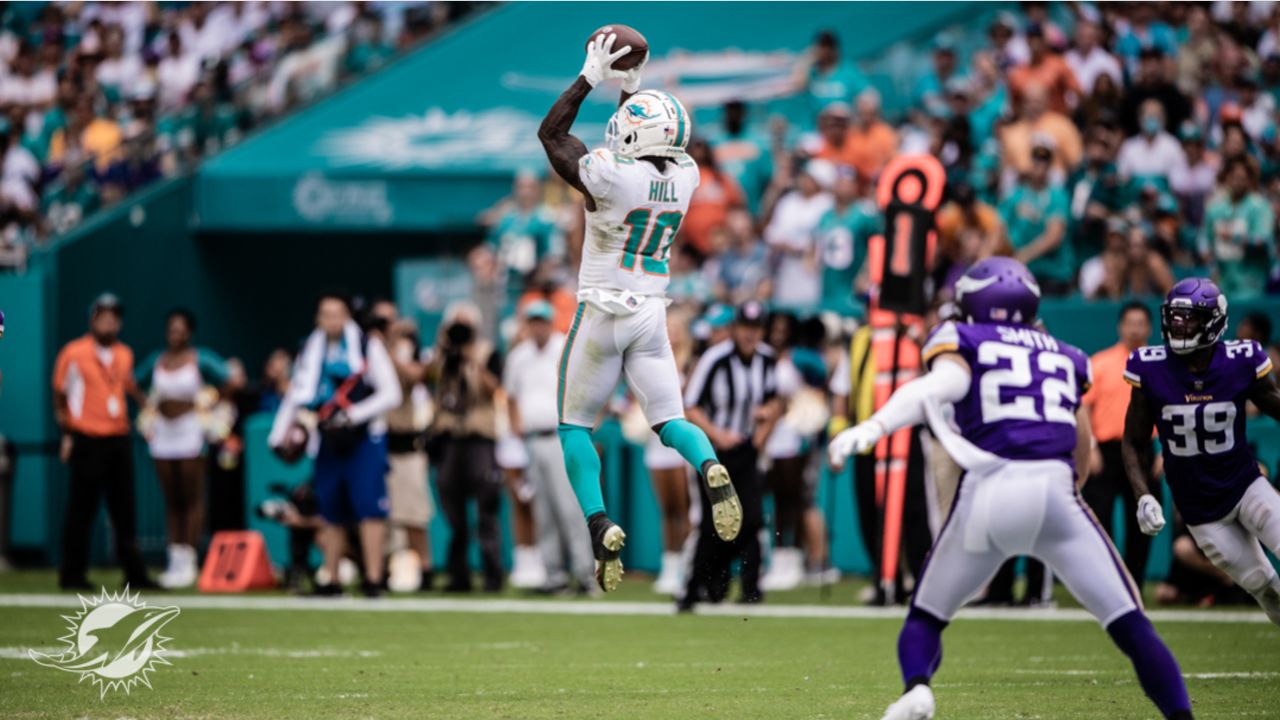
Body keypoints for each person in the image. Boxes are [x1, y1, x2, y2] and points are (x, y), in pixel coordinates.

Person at [830, 258, 1192, 720]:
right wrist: (1065, 503)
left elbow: (937, 387)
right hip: (1055, 492)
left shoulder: (962, 337)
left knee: (925, 617)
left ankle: (918, 688)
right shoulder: (1066, 354)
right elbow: (1081, 447)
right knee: (1132, 626)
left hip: (987, 493)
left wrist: (874, 426)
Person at [537, 32, 743, 591]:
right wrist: (632, 89)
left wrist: (590, 77)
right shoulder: (687, 178)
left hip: (600, 311)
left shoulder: (608, 175)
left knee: (573, 426)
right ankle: (709, 468)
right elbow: (642, 145)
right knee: (670, 421)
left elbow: (552, 135)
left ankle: (600, 521)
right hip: (651, 313)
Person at [1122, 278, 1280, 626]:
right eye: (1174, 317)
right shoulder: (1149, 366)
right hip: (1199, 509)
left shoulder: (1241, 360)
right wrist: (1143, 496)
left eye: (1189, 318)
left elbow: (1275, 404)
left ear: (1213, 321)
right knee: (1266, 588)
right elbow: (1133, 441)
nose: (1179, 325)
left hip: (1245, 486)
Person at [268, 291, 402, 597]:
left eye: (337, 313)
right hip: (327, 439)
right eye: (325, 314)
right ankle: (332, 578)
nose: (332, 321)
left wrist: (353, 414)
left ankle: (373, 578)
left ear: (347, 317)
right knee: (331, 509)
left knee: (370, 508)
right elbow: (297, 395)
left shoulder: (367, 346)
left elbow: (391, 393)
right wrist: (278, 435)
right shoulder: (310, 350)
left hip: (364, 437)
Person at [681, 301, 782, 609]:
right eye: (746, 328)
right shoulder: (715, 359)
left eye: (756, 329)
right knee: (714, 523)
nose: (750, 334)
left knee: (751, 519)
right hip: (714, 453)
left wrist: (760, 436)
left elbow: (775, 402)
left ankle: (750, 588)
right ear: (736, 329)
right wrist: (717, 434)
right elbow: (690, 406)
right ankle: (695, 588)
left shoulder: (767, 360)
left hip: (747, 450)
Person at [52, 293, 155, 590]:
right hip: (87, 437)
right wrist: (67, 434)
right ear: (92, 319)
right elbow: (60, 395)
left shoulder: (125, 353)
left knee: (125, 510)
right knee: (81, 509)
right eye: (104, 316)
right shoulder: (74, 352)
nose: (110, 321)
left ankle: (134, 574)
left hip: (118, 437)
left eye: (114, 317)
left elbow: (129, 387)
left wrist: (150, 407)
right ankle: (72, 574)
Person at [504, 301, 595, 594]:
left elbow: (587, 389)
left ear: (551, 323)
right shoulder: (518, 356)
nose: (537, 326)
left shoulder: (563, 348)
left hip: (561, 438)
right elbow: (511, 396)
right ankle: (553, 574)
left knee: (569, 507)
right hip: (532, 439)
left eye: (542, 321)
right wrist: (515, 424)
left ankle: (584, 574)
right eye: (533, 321)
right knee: (543, 510)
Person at [134, 308, 229, 589]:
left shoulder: (202, 359)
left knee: (191, 495)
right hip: (163, 431)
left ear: (190, 332)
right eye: (171, 329)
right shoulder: (157, 360)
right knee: (172, 496)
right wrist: (147, 408)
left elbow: (230, 380)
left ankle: (189, 559)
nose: (175, 334)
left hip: (190, 429)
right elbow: (132, 382)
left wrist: (209, 404)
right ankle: (173, 558)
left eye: (180, 329)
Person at [425, 301, 505, 593]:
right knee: (453, 513)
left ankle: (492, 574)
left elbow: (493, 389)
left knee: (486, 509)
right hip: (449, 441)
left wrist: (473, 361)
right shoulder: (442, 356)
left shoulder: (486, 353)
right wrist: (442, 351)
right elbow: (427, 380)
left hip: (479, 439)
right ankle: (458, 574)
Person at [1081, 302, 1158, 585]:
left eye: (1141, 323)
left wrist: (1165, 452)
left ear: (1150, 328)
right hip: (1107, 450)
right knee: (1099, 518)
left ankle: (1134, 582)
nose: (1135, 329)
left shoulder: (1159, 363)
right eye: (1130, 322)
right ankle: (1106, 581)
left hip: (1143, 449)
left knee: (1144, 518)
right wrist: (1090, 447)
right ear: (1120, 326)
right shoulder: (1100, 363)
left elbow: (1169, 409)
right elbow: (1084, 407)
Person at [369, 301, 435, 592]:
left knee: (414, 513)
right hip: (377, 441)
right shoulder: (364, 349)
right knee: (381, 514)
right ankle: (380, 569)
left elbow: (415, 376)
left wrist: (385, 350)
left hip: (407, 441)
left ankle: (426, 568)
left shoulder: (403, 348)